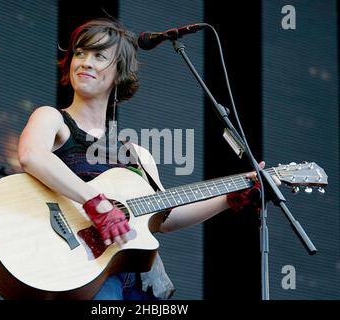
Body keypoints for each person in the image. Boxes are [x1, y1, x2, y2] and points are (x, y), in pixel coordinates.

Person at [18, 17, 272, 300]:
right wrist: (96, 202)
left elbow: (166, 218)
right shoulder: (52, 118)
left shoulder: (138, 155)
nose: (85, 62)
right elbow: (32, 156)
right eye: (80, 53)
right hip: (84, 270)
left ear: (119, 73)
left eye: (99, 56)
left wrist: (230, 197)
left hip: (137, 278)